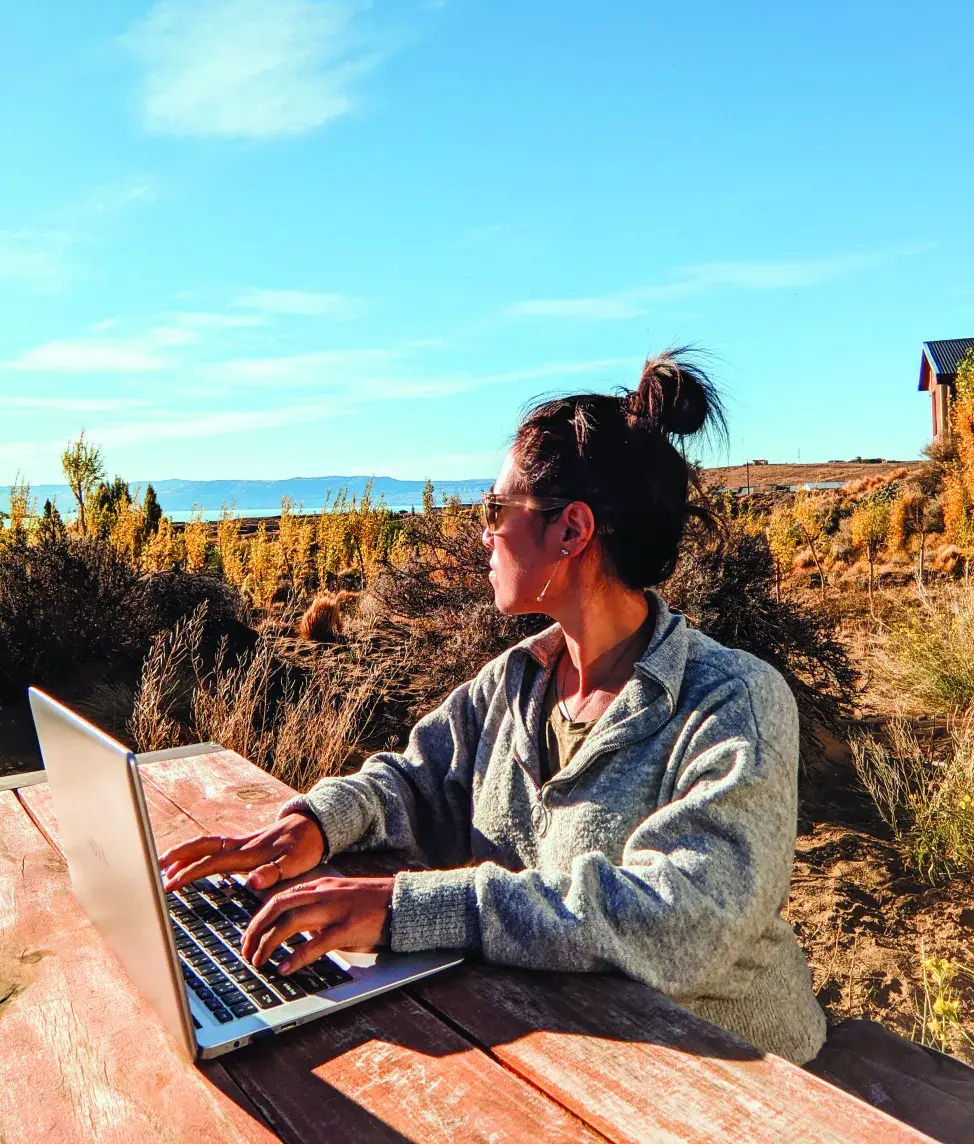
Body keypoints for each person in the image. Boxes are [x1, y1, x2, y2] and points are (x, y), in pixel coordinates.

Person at [159, 351, 827, 1066]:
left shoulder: (732, 700)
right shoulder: (518, 681)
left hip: (736, 1077)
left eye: (494, 510)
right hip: (569, 1050)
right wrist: (315, 824)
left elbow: (682, 920)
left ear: (571, 531)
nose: (483, 533)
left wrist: (405, 909)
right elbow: (415, 780)